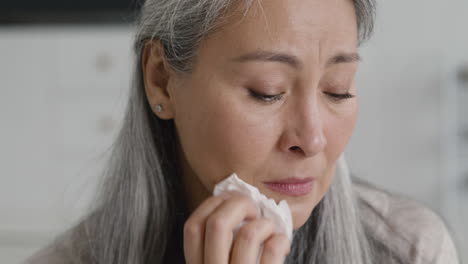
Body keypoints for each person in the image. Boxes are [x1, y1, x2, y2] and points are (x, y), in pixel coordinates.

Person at [26, 0, 460, 263]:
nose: (311, 140)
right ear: (161, 80)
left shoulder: (410, 249)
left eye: (337, 90)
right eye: (265, 92)